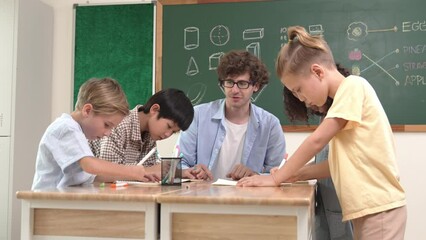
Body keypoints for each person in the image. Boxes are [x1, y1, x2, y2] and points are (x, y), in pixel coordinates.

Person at [238, 26, 406, 240]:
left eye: (298, 89)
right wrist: (293, 174)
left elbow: (316, 141)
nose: (299, 98)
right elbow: (335, 164)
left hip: (381, 209)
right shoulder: (344, 105)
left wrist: (277, 177)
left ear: (317, 72)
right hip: (370, 210)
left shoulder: (353, 86)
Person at [178, 50, 286, 181]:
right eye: (229, 82)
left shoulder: (270, 124)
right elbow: (180, 164)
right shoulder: (198, 116)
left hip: (248, 198)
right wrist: (193, 171)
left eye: (242, 84)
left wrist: (255, 175)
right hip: (203, 196)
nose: (234, 90)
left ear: (256, 86)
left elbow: (278, 172)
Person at [32, 77, 151, 190]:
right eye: (107, 125)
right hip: (47, 202)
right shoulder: (66, 128)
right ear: (87, 110)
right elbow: (91, 166)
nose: (108, 133)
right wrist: (132, 171)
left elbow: (92, 175)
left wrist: (136, 174)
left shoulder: (78, 132)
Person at [281, 64, 353, 240]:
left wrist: (292, 173)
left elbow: (336, 162)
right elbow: (325, 158)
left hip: (346, 205)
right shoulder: (326, 118)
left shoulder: (347, 104)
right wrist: (293, 172)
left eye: (302, 92)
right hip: (329, 205)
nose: (306, 101)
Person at [89, 88, 194, 178]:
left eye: (174, 132)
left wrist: (182, 173)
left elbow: (153, 168)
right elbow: (107, 173)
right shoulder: (119, 124)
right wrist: (152, 170)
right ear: (154, 109)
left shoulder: (151, 134)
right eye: (169, 126)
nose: (168, 134)